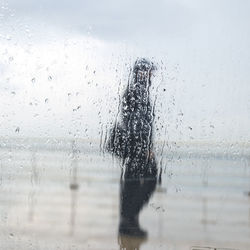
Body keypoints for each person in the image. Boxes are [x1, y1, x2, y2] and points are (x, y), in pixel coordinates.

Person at [107, 58, 158, 238]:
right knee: (148, 180)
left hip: (135, 146)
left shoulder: (138, 90)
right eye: (149, 71)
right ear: (141, 72)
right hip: (137, 147)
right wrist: (145, 147)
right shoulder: (137, 91)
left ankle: (129, 224)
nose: (152, 74)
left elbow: (138, 120)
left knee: (133, 184)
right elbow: (137, 122)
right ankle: (128, 222)